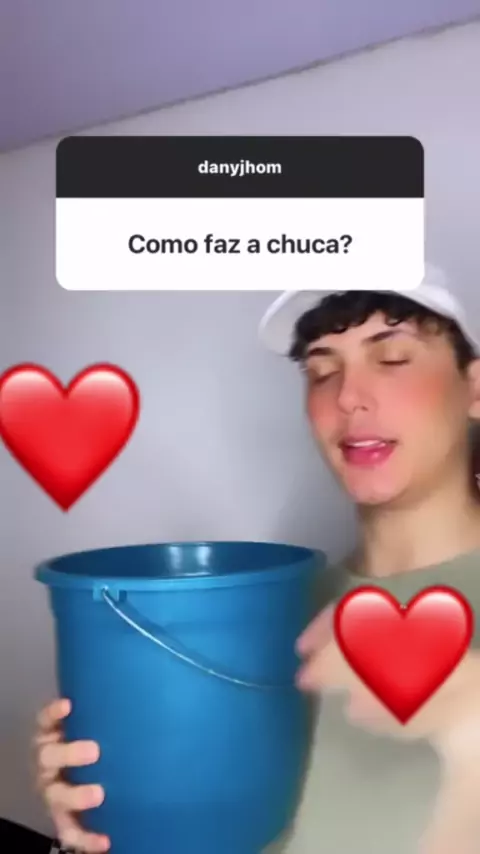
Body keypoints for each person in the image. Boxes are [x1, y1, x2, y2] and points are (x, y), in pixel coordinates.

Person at [35, 263, 480, 854]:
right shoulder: (278, 607)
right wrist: (97, 828)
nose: (347, 396)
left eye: (393, 357)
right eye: (321, 370)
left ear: (474, 388)